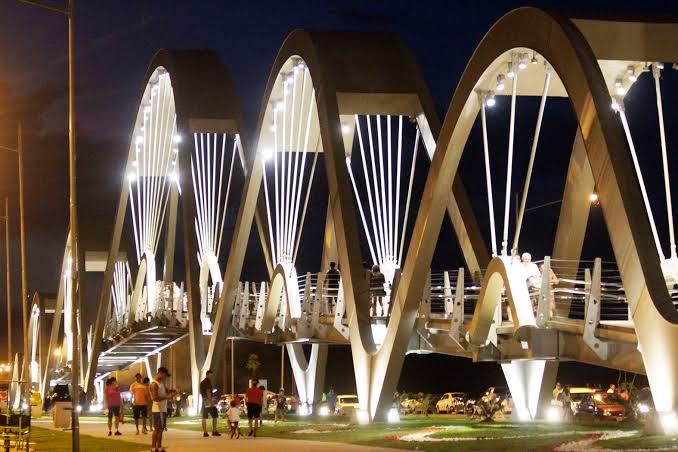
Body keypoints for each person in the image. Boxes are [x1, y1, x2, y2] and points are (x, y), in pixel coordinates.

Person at [150, 367, 175, 452]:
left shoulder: (161, 383)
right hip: (157, 409)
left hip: (163, 409)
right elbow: (155, 398)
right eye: (165, 375)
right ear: (160, 373)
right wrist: (167, 397)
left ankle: (159, 447)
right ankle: (153, 448)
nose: (165, 377)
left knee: (161, 429)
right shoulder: (154, 384)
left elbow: (167, 391)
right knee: (157, 429)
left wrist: (174, 391)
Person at [200, 370, 220, 437]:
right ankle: (214, 431)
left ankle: (205, 432)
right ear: (207, 375)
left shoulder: (202, 382)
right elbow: (208, 391)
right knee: (215, 415)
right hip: (208, 400)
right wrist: (211, 401)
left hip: (204, 400)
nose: (211, 377)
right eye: (210, 375)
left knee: (204, 417)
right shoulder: (207, 382)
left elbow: (201, 391)